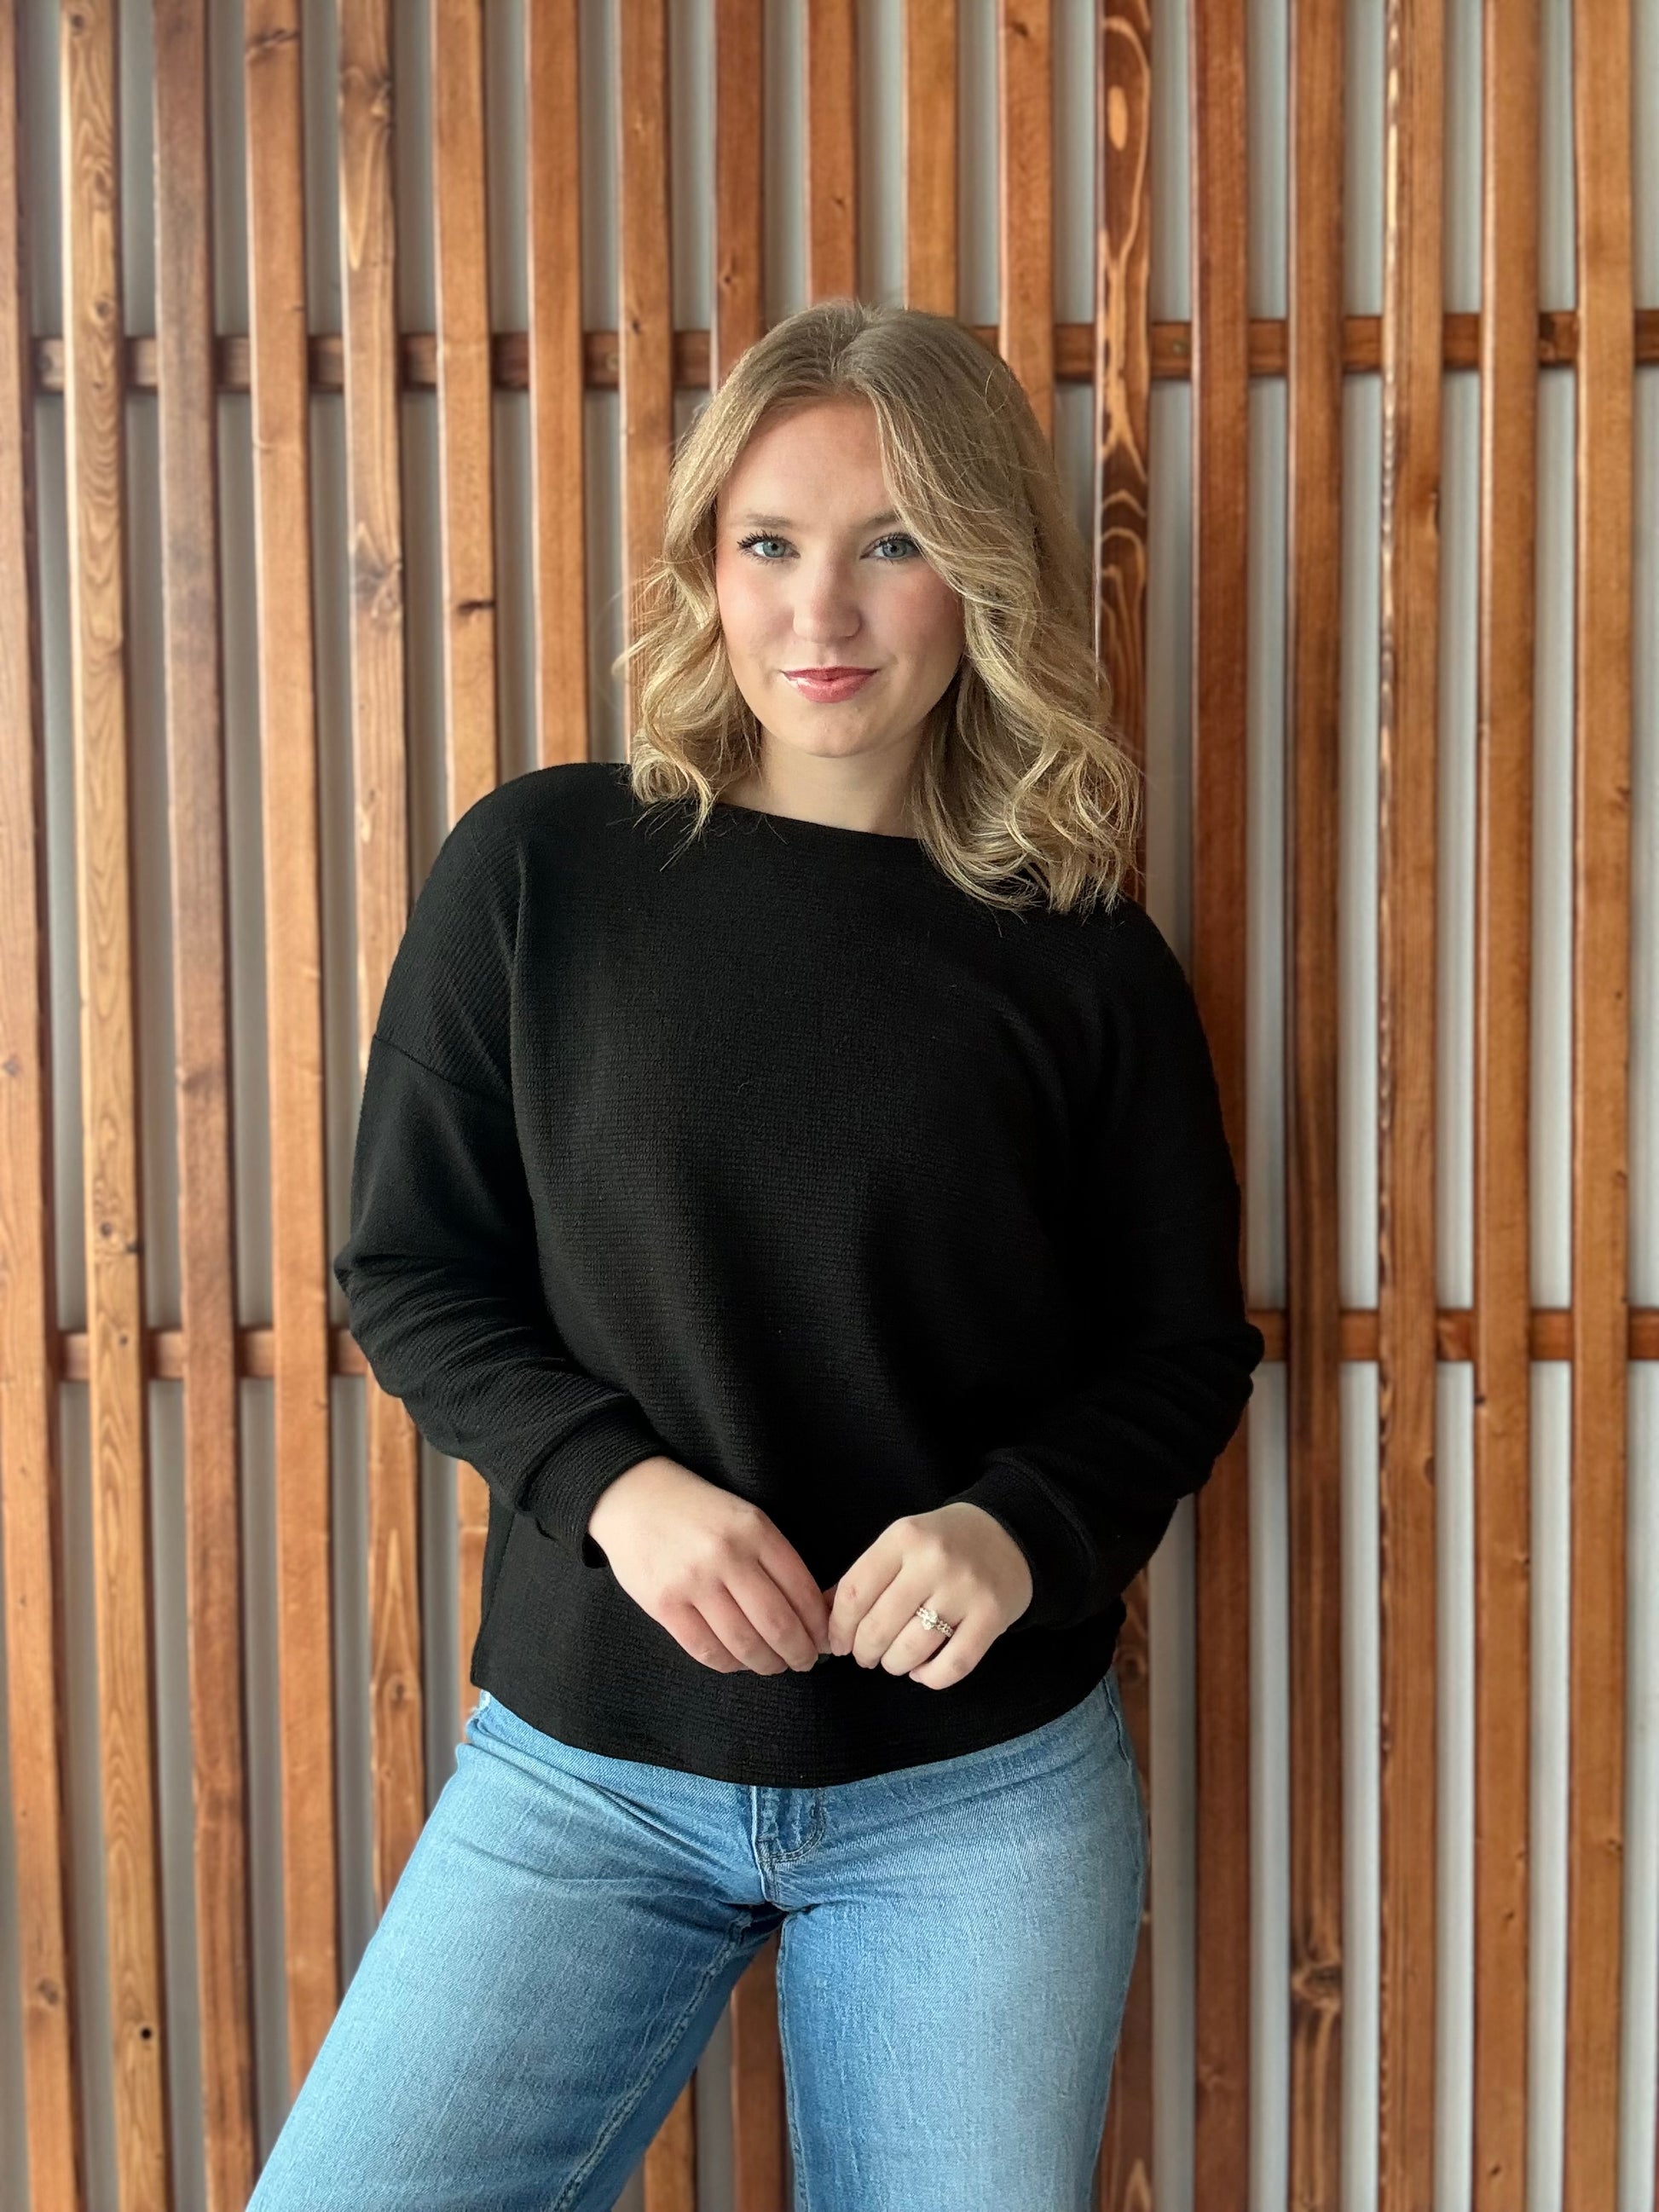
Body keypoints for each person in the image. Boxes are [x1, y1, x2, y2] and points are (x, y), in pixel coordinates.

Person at [248, 297, 1264, 2212]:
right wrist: (612, 1487)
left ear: (981, 577)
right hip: (584, 1769)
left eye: (893, 544)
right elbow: (410, 1266)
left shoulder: (1085, 959)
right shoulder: (541, 872)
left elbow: (1180, 1346)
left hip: (978, 1800)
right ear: (705, 568)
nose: (821, 611)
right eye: (769, 543)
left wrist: (1018, 1529)